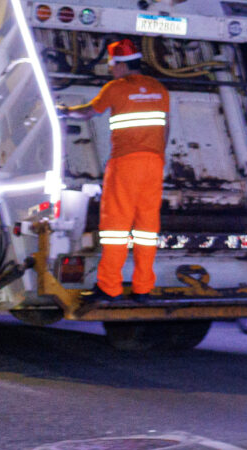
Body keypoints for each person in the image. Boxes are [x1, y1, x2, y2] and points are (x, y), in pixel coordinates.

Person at [62, 40, 171, 299]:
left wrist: (63, 111)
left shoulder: (117, 88)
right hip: (154, 163)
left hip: (126, 163)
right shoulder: (159, 88)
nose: (112, 71)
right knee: (147, 228)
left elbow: (89, 113)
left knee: (116, 225)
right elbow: (166, 128)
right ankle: (143, 287)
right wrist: (157, 157)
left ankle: (109, 286)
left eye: (112, 66)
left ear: (121, 65)